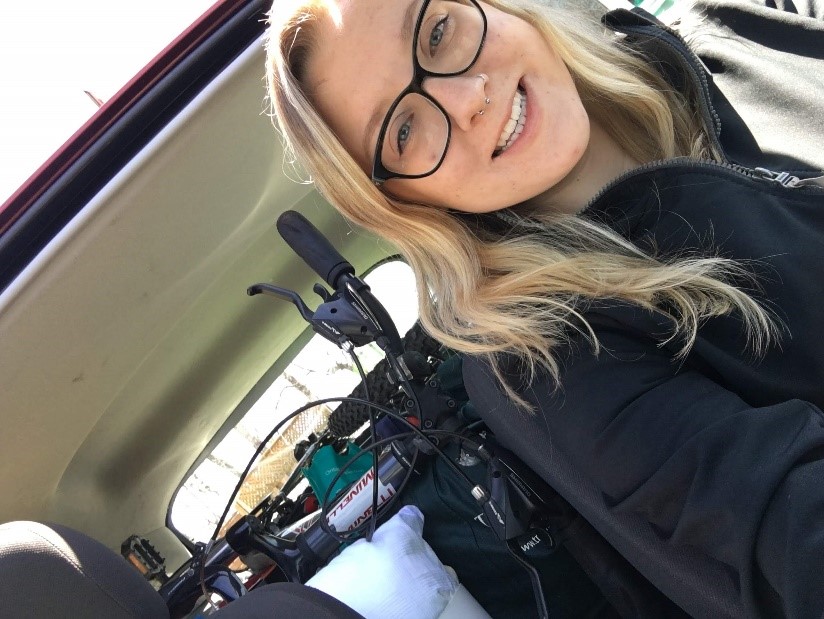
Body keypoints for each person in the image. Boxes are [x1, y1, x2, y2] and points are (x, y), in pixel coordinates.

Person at [263, 0, 824, 616]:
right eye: (402, 131)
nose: (466, 99)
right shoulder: (548, 359)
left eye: (438, 32)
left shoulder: (709, 38)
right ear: (401, 200)